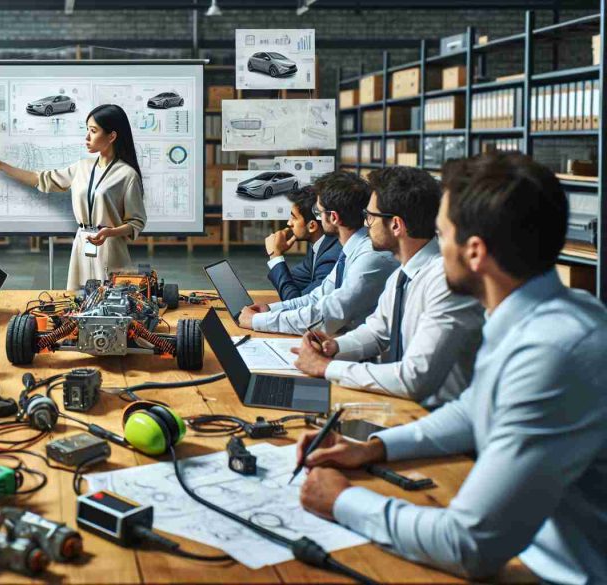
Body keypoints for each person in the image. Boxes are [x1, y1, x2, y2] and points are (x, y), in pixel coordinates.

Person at [298, 152, 607, 583]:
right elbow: (474, 409)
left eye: (442, 235)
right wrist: (373, 447)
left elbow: (468, 545)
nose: (434, 248)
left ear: (475, 252)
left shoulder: (552, 351)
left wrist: (343, 500)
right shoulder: (544, 315)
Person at [291, 167, 484, 409]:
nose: (365, 223)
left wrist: (327, 367)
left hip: (434, 414)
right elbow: (376, 332)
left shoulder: (445, 281)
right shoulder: (402, 275)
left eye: (370, 216)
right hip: (403, 406)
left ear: (396, 225)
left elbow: (414, 377)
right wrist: (335, 347)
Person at [0, 104, 147, 291]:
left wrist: (109, 232)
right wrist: (0, 165)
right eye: (87, 130)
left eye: (93, 131)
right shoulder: (82, 167)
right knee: (76, 302)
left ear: (112, 136)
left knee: (110, 303)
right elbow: (41, 179)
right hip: (82, 243)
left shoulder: (127, 175)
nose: (87, 137)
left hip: (110, 248)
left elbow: (136, 222)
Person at [240, 170, 398, 334]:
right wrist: (269, 309)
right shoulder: (351, 250)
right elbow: (316, 298)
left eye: (318, 212)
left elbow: (327, 317)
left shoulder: (370, 256)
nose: (318, 219)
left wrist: (256, 321)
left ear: (333, 217)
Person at [266, 185, 341, 301]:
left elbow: (294, 300)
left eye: (294, 218)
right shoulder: (319, 246)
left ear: (312, 226)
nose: (288, 223)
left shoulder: (331, 257)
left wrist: (275, 256)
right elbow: (292, 282)